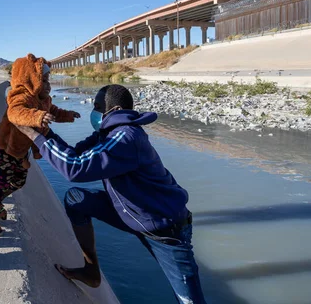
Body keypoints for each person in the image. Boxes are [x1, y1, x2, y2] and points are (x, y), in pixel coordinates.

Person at [16, 85, 206, 304]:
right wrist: (44, 132)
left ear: (114, 109)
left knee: (189, 300)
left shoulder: (125, 137)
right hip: (132, 213)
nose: (94, 112)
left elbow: (75, 169)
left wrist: (33, 135)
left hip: (165, 229)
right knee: (76, 200)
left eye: (97, 107)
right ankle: (91, 272)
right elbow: (76, 154)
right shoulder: (107, 134)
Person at [0, 54, 80, 236]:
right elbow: (15, 113)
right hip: (4, 150)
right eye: (45, 80)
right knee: (0, 184)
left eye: (49, 80)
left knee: (19, 181)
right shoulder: (21, 96)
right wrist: (37, 117)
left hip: (21, 150)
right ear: (31, 80)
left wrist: (68, 115)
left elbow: (53, 111)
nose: (49, 85)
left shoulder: (44, 99)